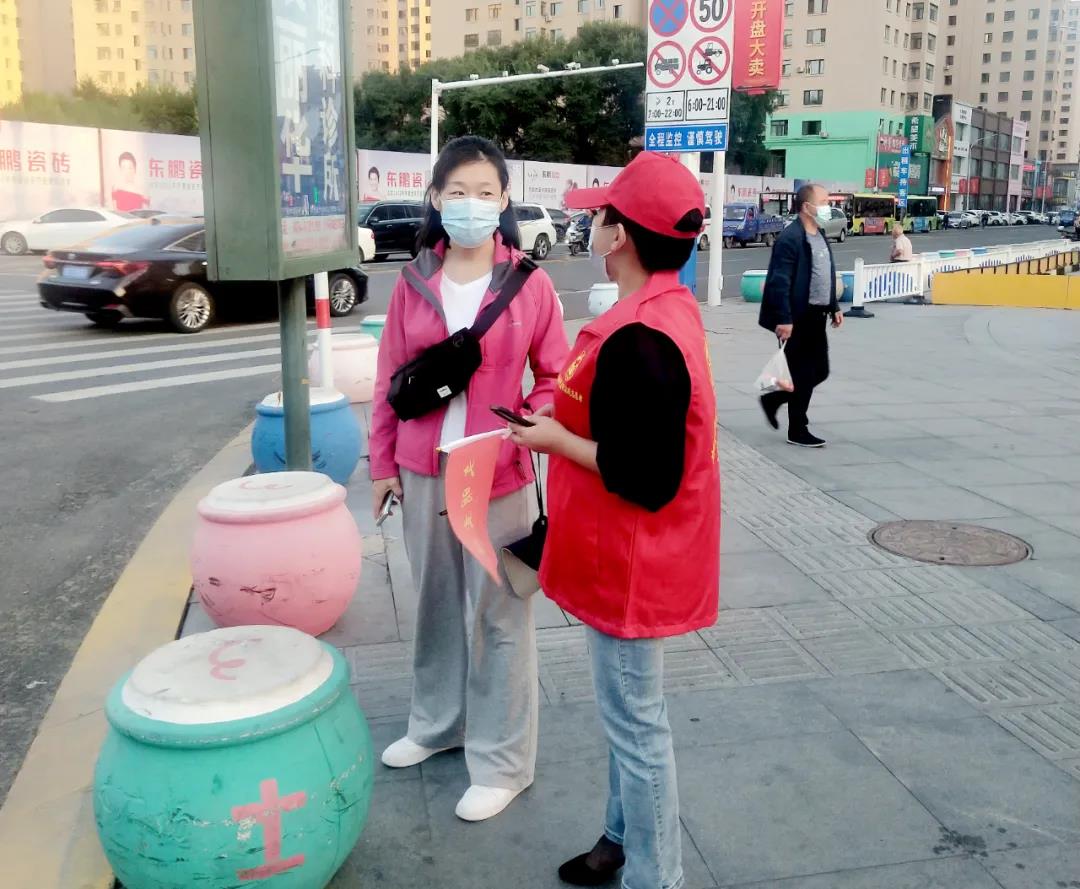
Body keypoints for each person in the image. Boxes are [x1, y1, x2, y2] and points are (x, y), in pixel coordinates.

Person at [508, 152, 720, 889]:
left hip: (632, 563)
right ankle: (618, 839)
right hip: (622, 553)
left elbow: (648, 474)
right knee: (628, 718)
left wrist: (553, 441)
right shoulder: (656, 311)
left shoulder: (642, 338)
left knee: (637, 726)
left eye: (600, 214)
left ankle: (657, 877)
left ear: (619, 235)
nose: (590, 223)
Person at [369, 136, 569, 822]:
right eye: (458, 192)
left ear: (504, 200)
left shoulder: (529, 284)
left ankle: (503, 760)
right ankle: (438, 724)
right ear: (435, 198)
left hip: (499, 471)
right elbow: (389, 381)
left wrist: (534, 418)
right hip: (425, 469)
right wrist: (382, 464)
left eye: (486, 193)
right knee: (433, 603)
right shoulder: (413, 281)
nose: (472, 205)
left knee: (500, 614)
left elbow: (556, 374)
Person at [758, 182, 844, 448]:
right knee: (804, 373)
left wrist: (833, 306)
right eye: (824, 202)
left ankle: (773, 399)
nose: (829, 206)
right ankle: (797, 428)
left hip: (817, 314)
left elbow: (824, 273)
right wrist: (784, 318)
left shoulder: (819, 234)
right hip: (797, 316)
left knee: (820, 371)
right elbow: (779, 281)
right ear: (807, 206)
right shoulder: (791, 238)